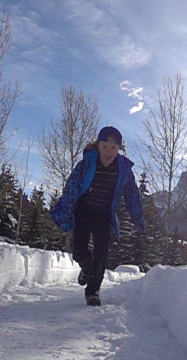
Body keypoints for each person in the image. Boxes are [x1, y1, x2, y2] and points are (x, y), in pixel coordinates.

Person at [50, 126, 146, 306]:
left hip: (104, 214)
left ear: (119, 148)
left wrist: (138, 219)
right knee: (79, 252)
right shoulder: (86, 164)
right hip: (84, 211)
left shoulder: (123, 170)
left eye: (113, 147)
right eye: (104, 147)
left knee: (101, 254)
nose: (108, 152)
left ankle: (93, 291)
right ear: (98, 146)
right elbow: (71, 187)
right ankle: (86, 268)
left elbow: (132, 195)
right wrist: (66, 210)